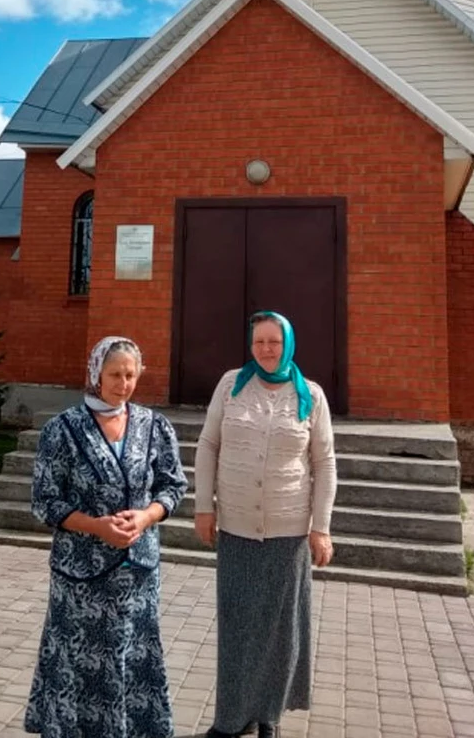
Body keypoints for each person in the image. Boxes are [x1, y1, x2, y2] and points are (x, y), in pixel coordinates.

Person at [24, 335, 188, 738]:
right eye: (115, 374)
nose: (123, 383)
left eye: (131, 374)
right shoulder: (61, 430)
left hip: (138, 576)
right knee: (79, 664)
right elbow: (44, 501)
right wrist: (96, 525)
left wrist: (147, 517)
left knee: (134, 658)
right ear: (96, 373)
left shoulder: (155, 426)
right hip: (81, 579)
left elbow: (174, 486)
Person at [194, 311, 337, 738]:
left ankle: (268, 717)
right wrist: (204, 506)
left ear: (288, 343)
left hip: (287, 531)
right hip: (236, 527)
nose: (266, 350)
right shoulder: (231, 385)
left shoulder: (310, 394)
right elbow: (208, 444)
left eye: (274, 341)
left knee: (279, 630)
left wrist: (321, 526)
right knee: (237, 626)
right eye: (259, 342)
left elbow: (324, 463)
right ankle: (231, 718)